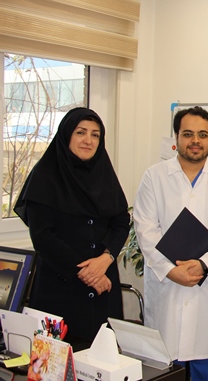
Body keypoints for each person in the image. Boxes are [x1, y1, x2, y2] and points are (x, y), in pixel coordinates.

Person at [133, 106, 208, 381]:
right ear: (176, 137)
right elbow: (145, 229)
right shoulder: (154, 177)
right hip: (167, 293)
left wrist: (205, 265)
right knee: (165, 374)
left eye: (203, 134)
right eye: (188, 134)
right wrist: (171, 270)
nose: (196, 140)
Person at [15, 107, 129, 347]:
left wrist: (106, 258)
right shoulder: (44, 176)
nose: (88, 140)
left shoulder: (104, 174)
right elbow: (43, 237)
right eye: (81, 132)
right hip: (59, 289)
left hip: (102, 290)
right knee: (56, 361)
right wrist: (88, 273)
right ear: (67, 134)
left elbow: (121, 222)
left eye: (95, 135)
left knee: (102, 359)